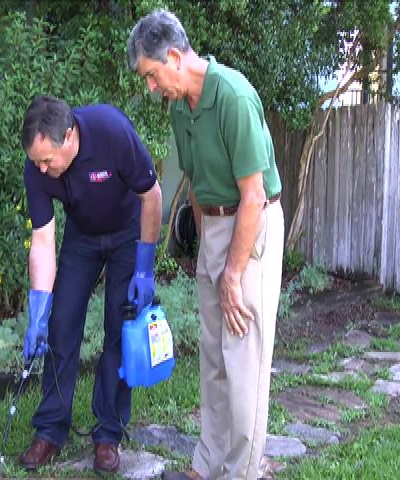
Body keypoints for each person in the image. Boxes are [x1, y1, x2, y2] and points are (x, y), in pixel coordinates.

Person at [127, 10, 284, 480]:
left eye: (152, 76)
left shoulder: (233, 96)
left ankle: (243, 470)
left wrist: (233, 273)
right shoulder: (181, 107)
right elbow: (195, 184)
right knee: (214, 354)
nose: (152, 88)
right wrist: (203, 255)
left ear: (174, 57)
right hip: (214, 229)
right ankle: (209, 462)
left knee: (244, 359)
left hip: (251, 226)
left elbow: (254, 194)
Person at [18, 94, 162, 475]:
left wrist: (144, 268)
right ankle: (50, 429)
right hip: (82, 236)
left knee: (118, 327)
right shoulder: (38, 168)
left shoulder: (110, 131)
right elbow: (43, 240)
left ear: (68, 137)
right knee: (61, 325)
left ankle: (108, 434)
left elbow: (152, 195)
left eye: (47, 160)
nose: (43, 169)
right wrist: (38, 310)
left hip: (128, 231)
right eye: (37, 162)